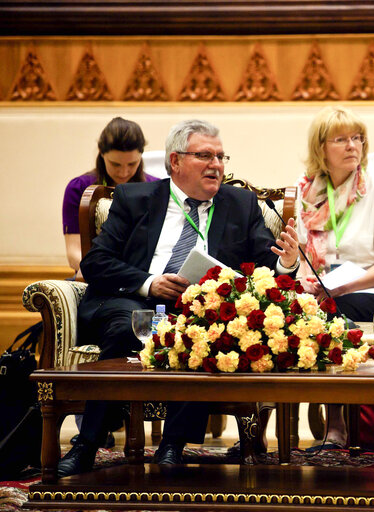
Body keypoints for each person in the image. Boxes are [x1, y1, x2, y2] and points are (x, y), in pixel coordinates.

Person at [58, 119, 300, 477]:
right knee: (131, 326)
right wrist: (149, 282)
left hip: (200, 309)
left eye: (220, 157)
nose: (217, 165)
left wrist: (286, 262)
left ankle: (173, 444)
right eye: (204, 155)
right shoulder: (134, 199)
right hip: (136, 302)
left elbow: (265, 266)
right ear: (175, 162)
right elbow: (96, 262)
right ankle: (88, 443)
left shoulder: (241, 204)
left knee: (203, 333)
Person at [296, 106, 374, 447]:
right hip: (324, 293)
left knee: (330, 314)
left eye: (357, 138)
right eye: (341, 139)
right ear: (321, 148)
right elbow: (305, 257)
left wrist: (344, 284)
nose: (353, 146)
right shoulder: (307, 192)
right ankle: (260, 429)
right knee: (282, 316)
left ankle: (336, 423)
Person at [62, 117, 159, 273]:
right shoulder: (78, 188)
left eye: (132, 164)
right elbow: (74, 254)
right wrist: (109, 276)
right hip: (96, 275)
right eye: (115, 164)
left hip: (144, 277)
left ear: (141, 155)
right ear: (101, 154)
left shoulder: (155, 189)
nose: (124, 172)